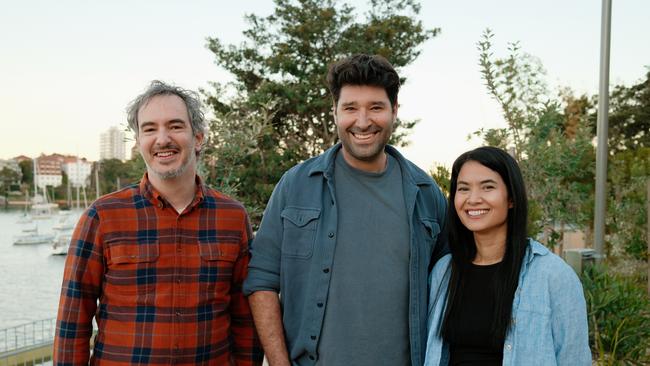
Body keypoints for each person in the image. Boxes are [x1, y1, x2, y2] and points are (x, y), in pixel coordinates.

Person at [243, 54, 448, 366]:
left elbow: (450, 286)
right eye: (350, 108)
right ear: (335, 112)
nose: (363, 121)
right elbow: (262, 280)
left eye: (376, 107)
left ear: (395, 112)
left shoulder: (427, 194)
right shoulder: (296, 185)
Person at [53, 81, 262, 365]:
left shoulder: (233, 217)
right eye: (150, 129)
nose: (162, 139)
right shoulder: (102, 217)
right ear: (139, 141)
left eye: (175, 126)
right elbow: (72, 321)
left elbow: (244, 319)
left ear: (198, 138)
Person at [424, 146, 591, 365]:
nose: (473, 199)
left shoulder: (554, 276)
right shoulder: (444, 272)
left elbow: (574, 359)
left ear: (511, 198)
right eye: (463, 189)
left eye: (487, 187)